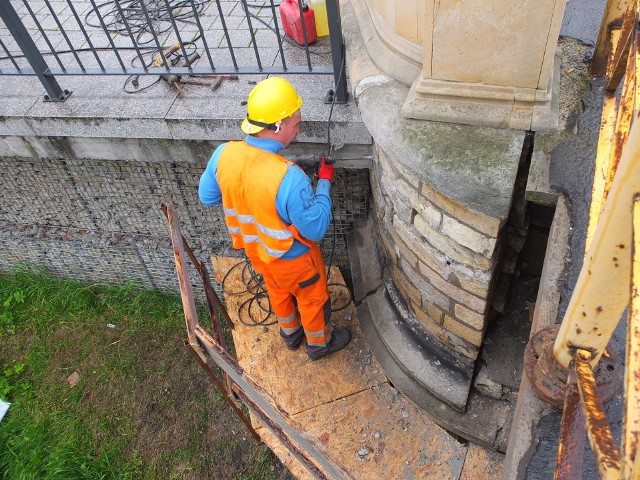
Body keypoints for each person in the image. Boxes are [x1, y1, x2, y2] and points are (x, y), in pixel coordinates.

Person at [198, 76, 351, 360]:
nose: (299, 128)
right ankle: (319, 344)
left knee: (278, 291)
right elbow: (316, 227)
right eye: (296, 123)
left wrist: (244, 192)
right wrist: (324, 183)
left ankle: (290, 334)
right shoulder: (289, 177)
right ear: (278, 126)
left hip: (259, 253)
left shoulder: (224, 153)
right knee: (312, 299)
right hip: (294, 261)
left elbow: (208, 197)